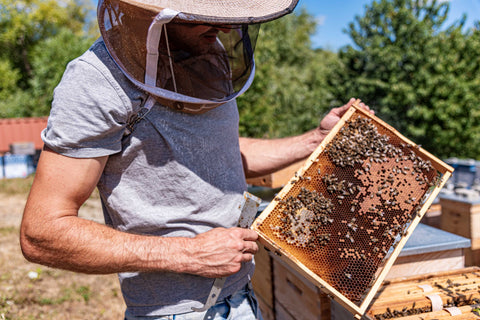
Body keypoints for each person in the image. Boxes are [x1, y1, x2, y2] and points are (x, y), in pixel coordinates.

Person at [20, 0, 372, 319]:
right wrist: (187, 254)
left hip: (242, 297)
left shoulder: (209, 56)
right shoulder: (97, 80)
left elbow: (221, 155)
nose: (224, 29)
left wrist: (317, 139)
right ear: (153, 11)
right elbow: (43, 232)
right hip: (176, 313)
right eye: (206, 14)